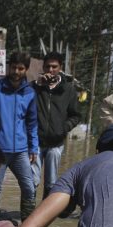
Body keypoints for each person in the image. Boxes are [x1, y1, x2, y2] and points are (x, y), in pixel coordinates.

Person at [0, 52, 39, 220]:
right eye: (14, 67)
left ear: (26, 69)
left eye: (21, 68)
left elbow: (32, 124)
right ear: (9, 67)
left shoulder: (30, 93)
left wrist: (33, 147)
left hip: (21, 151)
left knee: (29, 188)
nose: (16, 71)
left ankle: (28, 224)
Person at [33, 52, 81, 198]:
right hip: (35, 142)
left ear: (60, 67)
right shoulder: (35, 87)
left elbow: (76, 115)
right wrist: (38, 84)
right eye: (47, 66)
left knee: (51, 183)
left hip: (56, 142)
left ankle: (46, 216)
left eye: (54, 66)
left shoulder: (68, 89)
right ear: (43, 67)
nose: (50, 70)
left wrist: (63, 128)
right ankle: (28, 216)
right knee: (32, 181)